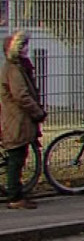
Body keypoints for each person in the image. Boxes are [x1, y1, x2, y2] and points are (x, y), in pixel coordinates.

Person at [2, 32, 45, 209]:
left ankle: (16, 191)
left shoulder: (18, 67)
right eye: (24, 46)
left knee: (18, 155)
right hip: (16, 119)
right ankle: (14, 196)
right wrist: (37, 112)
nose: (27, 49)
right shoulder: (13, 69)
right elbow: (22, 96)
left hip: (17, 119)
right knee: (16, 157)